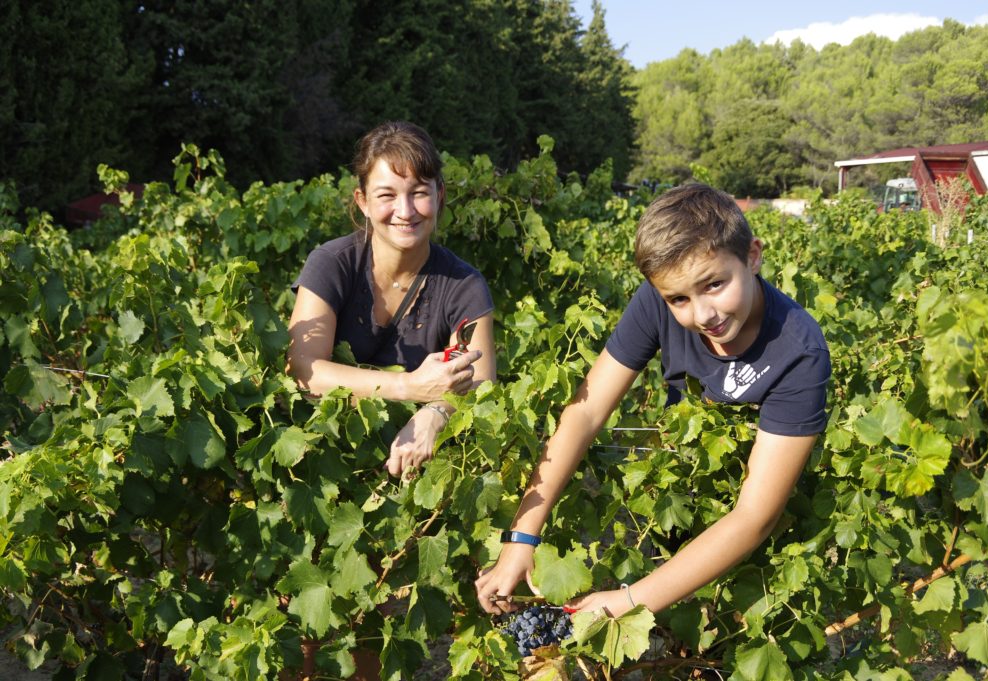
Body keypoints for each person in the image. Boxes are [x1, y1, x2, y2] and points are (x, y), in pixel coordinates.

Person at [475, 183, 830, 617]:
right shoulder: (659, 299)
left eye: (715, 284)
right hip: (675, 501)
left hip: (755, 549)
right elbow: (587, 411)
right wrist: (523, 536)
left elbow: (755, 516)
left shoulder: (798, 350)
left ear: (753, 257)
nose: (702, 315)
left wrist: (628, 601)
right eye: (679, 299)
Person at [287, 121, 496, 478]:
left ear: (439, 195)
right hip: (318, 464)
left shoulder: (464, 286)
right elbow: (302, 369)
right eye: (387, 195)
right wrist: (409, 387)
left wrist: (436, 414)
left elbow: (479, 385)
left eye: (418, 192)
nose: (405, 210)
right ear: (363, 202)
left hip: (416, 476)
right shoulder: (332, 264)